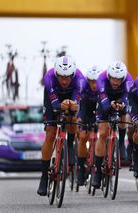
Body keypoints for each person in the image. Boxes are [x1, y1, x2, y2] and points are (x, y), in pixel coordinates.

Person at [37, 56, 86, 196]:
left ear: (73, 75)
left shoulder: (80, 79)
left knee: (72, 116)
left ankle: (69, 144)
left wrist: (72, 105)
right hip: (53, 97)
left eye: (67, 77)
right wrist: (59, 105)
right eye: (61, 77)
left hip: (71, 95)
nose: (64, 81)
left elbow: (77, 101)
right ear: (56, 74)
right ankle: (44, 177)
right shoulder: (49, 77)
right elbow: (55, 105)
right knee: (51, 134)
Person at [91, 61, 133, 188]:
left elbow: (128, 97)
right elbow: (104, 102)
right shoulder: (101, 79)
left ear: (123, 78)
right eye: (113, 79)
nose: (115, 82)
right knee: (103, 133)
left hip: (121, 97)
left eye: (119, 79)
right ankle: (98, 172)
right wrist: (110, 106)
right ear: (109, 76)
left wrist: (122, 105)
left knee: (124, 115)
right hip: (105, 99)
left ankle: (120, 143)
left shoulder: (129, 80)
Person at [76, 65, 102, 186]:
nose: (94, 84)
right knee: (82, 137)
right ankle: (81, 168)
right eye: (92, 81)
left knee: (103, 136)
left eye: (96, 81)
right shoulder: (83, 87)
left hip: (99, 112)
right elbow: (81, 106)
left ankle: (100, 166)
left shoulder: (103, 87)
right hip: (86, 112)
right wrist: (80, 119)